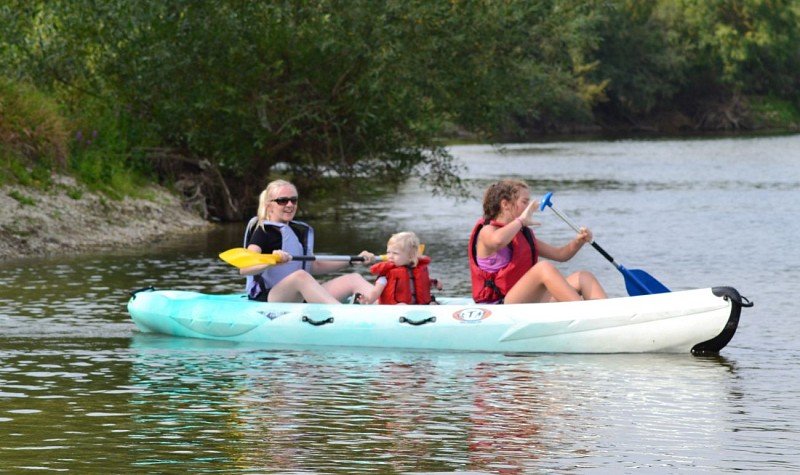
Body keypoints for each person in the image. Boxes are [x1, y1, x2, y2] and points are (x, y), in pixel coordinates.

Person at [468, 179, 607, 304]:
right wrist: (521, 221)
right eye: (525, 202)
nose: (530, 207)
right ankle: (585, 314)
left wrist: (579, 241)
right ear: (505, 204)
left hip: (526, 298)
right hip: (501, 304)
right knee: (543, 268)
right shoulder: (487, 231)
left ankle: (608, 315)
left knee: (583, 277)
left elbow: (560, 255)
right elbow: (498, 241)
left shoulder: (520, 235)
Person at [239, 179, 375, 304]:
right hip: (270, 297)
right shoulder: (262, 233)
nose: (290, 204)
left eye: (293, 200)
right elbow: (245, 268)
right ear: (269, 206)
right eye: (282, 200)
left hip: (298, 294)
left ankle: (388, 309)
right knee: (300, 276)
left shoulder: (297, 231)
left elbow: (315, 266)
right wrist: (271, 260)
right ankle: (342, 314)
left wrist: (353, 260)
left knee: (354, 279)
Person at [357, 231, 443, 305]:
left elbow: (423, 283)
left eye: (395, 253)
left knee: (432, 303)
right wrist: (368, 300)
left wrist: (434, 283)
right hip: (395, 307)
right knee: (402, 305)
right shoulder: (386, 274)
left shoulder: (416, 268)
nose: (390, 256)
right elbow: (376, 292)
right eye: (388, 252)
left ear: (410, 256)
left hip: (418, 306)